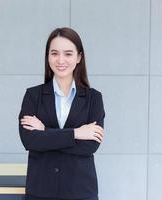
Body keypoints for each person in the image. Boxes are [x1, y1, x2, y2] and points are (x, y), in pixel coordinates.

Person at [18, 27, 105, 200]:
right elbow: (29, 140)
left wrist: (45, 133)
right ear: (47, 56)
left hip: (80, 191)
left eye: (68, 54)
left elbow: (90, 146)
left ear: (79, 57)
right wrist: (76, 133)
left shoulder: (94, 98)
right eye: (54, 53)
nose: (60, 60)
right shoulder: (33, 96)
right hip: (41, 191)